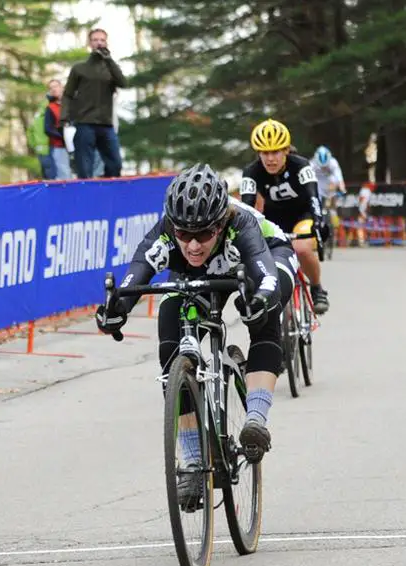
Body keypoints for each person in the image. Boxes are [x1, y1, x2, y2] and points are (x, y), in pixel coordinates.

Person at [95, 164, 288, 502]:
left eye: (204, 234)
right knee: (169, 336)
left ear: (220, 223)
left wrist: (261, 299)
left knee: (262, 317)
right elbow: (135, 276)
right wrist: (115, 310)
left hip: (264, 256)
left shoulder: (240, 224)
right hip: (197, 277)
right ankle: (194, 460)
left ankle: (256, 418)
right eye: (184, 235)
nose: (194, 245)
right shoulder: (166, 230)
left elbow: (267, 274)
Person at [241, 119, 330, 314]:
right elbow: (246, 207)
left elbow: (313, 196)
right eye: (265, 153)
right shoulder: (251, 172)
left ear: (286, 150)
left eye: (275, 152)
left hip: (302, 215)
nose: (270, 159)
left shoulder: (301, 165)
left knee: (301, 248)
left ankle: (317, 288)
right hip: (273, 220)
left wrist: (318, 220)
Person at [60, 28, 126, 179]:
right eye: (96, 40)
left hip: (106, 124)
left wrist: (109, 60)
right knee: (84, 169)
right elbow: (68, 94)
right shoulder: (79, 68)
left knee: (115, 164)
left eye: (102, 40)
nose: (99, 43)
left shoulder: (111, 69)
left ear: (107, 43)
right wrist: (64, 117)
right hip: (84, 123)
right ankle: (86, 196)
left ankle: (107, 190)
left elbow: (123, 83)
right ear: (90, 43)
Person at [43, 79, 72, 180]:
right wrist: (64, 137)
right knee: (64, 175)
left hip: (77, 145)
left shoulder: (71, 104)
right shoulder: (50, 108)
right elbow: (47, 129)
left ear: (62, 87)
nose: (54, 89)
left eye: (56, 86)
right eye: (51, 88)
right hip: (59, 146)